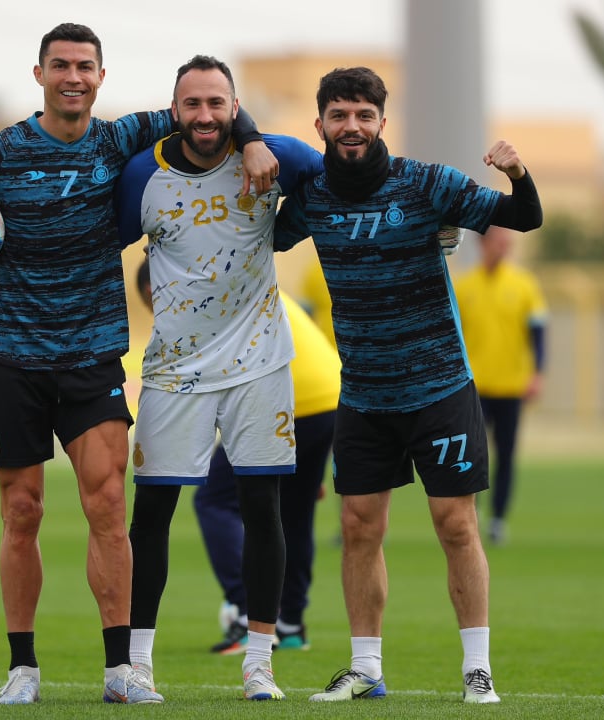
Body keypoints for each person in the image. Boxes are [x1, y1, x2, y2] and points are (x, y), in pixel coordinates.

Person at [0, 25, 278, 706]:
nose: (73, 76)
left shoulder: (118, 137)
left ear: (101, 76)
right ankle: (23, 668)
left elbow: (202, 111)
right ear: (39, 73)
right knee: (22, 511)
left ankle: (120, 670)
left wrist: (250, 138)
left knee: (107, 503)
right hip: (12, 356)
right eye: (61, 65)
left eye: (85, 66)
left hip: (93, 354)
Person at [273, 66, 543, 704]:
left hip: (439, 388)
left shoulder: (426, 183)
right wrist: (253, 157)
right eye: (339, 116)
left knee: (455, 524)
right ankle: (366, 669)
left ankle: (477, 670)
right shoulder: (312, 196)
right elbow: (261, 237)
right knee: (359, 526)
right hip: (364, 396)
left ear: (382, 122)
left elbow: (524, 217)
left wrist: (517, 171)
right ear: (320, 125)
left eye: (364, 116)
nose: (352, 126)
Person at [114, 55, 323, 701]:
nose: (205, 115)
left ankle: (260, 663)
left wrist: (433, 224)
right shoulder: (142, 175)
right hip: (174, 370)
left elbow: (348, 175)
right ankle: (136, 665)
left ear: (235, 108)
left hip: (259, 363)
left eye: (216, 103)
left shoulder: (276, 156)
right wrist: (3, 273)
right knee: (152, 514)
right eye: (192, 104)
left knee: (263, 509)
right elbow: (90, 246)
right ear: (174, 110)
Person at [133, 258, 341, 655]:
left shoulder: (194, 294)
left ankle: (249, 613)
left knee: (214, 500)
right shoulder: (234, 272)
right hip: (329, 393)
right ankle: (290, 624)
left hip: (286, 394)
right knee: (294, 512)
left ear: (152, 290)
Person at [453, 226, 547, 546]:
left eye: (507, 241)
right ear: (483, 243)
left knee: (506, 454)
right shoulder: (464, 286)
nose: (504, 245)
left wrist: (537, 374)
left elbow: (538, 334)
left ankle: (498, 519)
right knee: (474, 454)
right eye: (498, 240)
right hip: (474, 387)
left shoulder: (524, 284)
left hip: (511, 386)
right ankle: (472, 513)